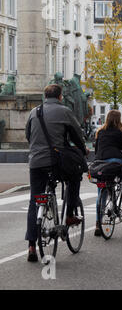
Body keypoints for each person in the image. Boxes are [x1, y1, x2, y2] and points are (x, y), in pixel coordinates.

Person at [25, 84, 89, 262]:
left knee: (34, 201)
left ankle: (31, 245)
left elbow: (28, 135)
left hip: (36, 162)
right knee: (74, 177)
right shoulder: (64, 111)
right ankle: (69, 215)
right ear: (60, 96)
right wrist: (83, 149)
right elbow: (77, 134)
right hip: (56, 162)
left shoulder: (34, 112)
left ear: (45, 96)